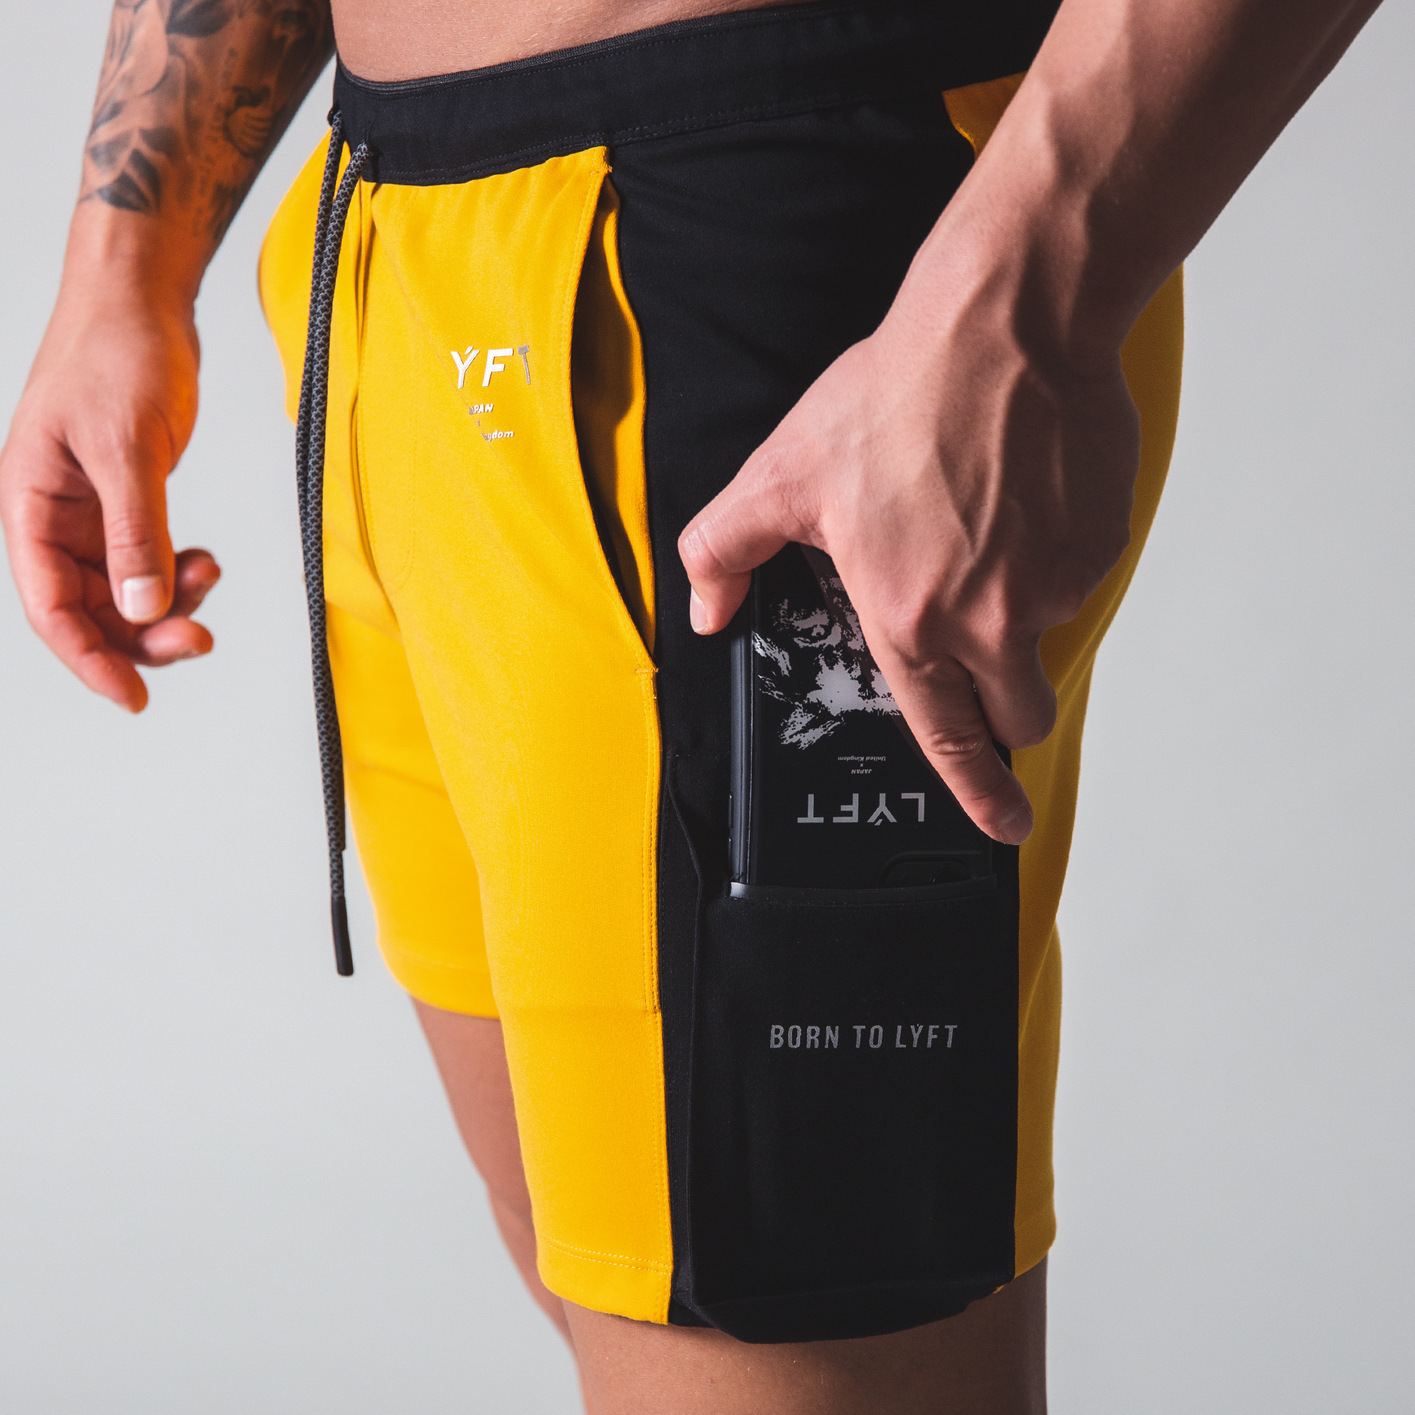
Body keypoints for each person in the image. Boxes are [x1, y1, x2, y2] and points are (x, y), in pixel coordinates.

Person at [0, 0, 1384, 1409]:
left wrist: (1024, 282)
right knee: (603, 1261)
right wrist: (124, 260)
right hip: (385, 248)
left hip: (768, 241)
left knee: (771, 1334)